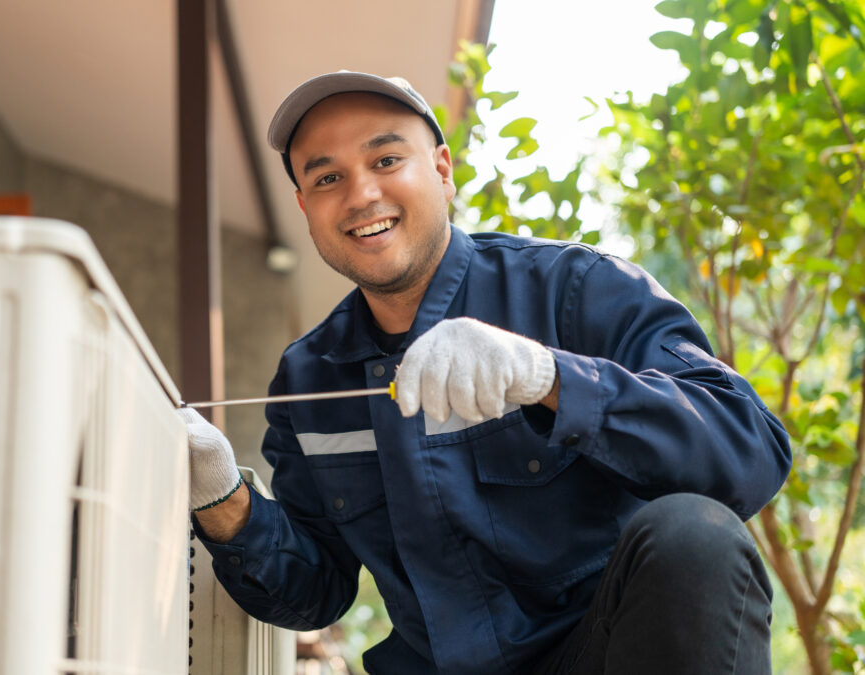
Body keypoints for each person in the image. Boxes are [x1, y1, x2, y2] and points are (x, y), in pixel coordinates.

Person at [177, 71, 791, 674]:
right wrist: (223, 500)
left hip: (602, 652)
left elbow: (749, 451)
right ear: (305, 206)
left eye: (386, 160)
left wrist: (550, 377)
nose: (361, 194)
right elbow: (316, 592)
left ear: (442, 170)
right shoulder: (309, 380)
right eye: (329, 177)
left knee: (692, 534)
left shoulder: (574, 290)